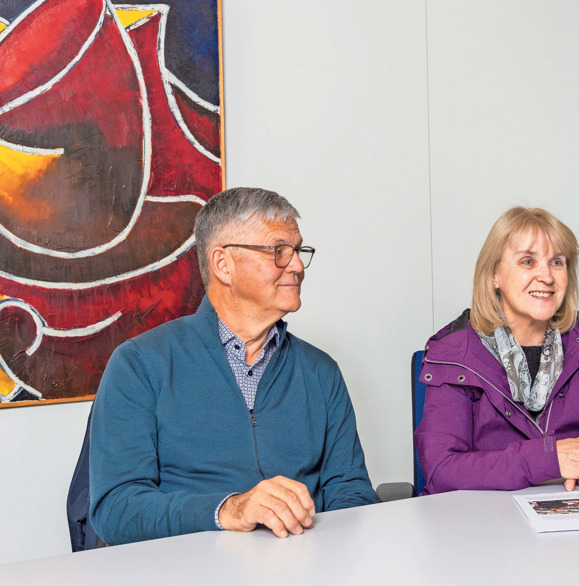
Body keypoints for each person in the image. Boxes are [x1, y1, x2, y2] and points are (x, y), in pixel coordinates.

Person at [89, 187, 377, 545]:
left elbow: (352, 492)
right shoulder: (139, 365)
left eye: (298, 251)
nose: (298, 266)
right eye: (278, 252)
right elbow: (116, 509)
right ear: (223, 264)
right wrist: (229, 510)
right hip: (187, 577)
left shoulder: (321, 371)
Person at [415, 207, 579, 494]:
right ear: (494, 275)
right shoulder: (454, 353)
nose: (546, 277)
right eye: (528, 261)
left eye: (557, 263)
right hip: (485, 523)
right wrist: (551, 460)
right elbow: (443, 469)